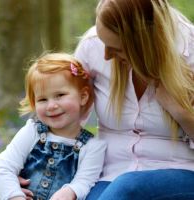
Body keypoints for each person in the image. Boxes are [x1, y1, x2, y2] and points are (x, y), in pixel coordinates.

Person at [73, 0, 194, 199]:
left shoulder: (189, 51)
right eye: (104, 44)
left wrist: (178, 110)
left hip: (182, 173)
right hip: (108, 174)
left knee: (128, 186)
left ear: (143, 42)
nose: (106, 55)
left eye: (117, 48)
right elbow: (64, 117)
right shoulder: (92, 45)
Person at [0, 53, 106, 200]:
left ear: (83, 96)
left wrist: (70, 191)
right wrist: (15, 195)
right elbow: (4, 166)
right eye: (42, 99)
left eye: (60, 95)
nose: (51, 106)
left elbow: (84, 182)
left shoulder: (93, 147)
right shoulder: (33, 131)